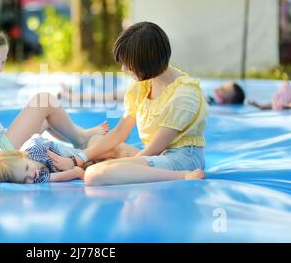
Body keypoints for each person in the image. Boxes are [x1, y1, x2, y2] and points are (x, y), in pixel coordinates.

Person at [0, 27, 108, 175]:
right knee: (44, 100)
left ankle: (79, 143)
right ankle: (80, 139)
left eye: (3, 62)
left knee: (46, 120)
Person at [82, 22, 207, 186]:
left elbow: (155, 148)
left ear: (146, 61)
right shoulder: (141, 87)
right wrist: (80, 157)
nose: (124, 69)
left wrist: (120, 165)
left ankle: (182, 176)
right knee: (96, 142)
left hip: (181, 160)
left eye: (128, 63)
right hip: (158, 155)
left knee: (94, 174)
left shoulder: (185, 95)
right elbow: (120, 132)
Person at [59, 80, 245, 105]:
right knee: (115, 95)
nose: (220, 88)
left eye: (225, 90)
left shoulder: (209, 101)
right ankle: (76, 97)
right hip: (154, 94)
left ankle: (75, 97)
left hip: (153, 98)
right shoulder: (209, 98)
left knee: (114, 96)